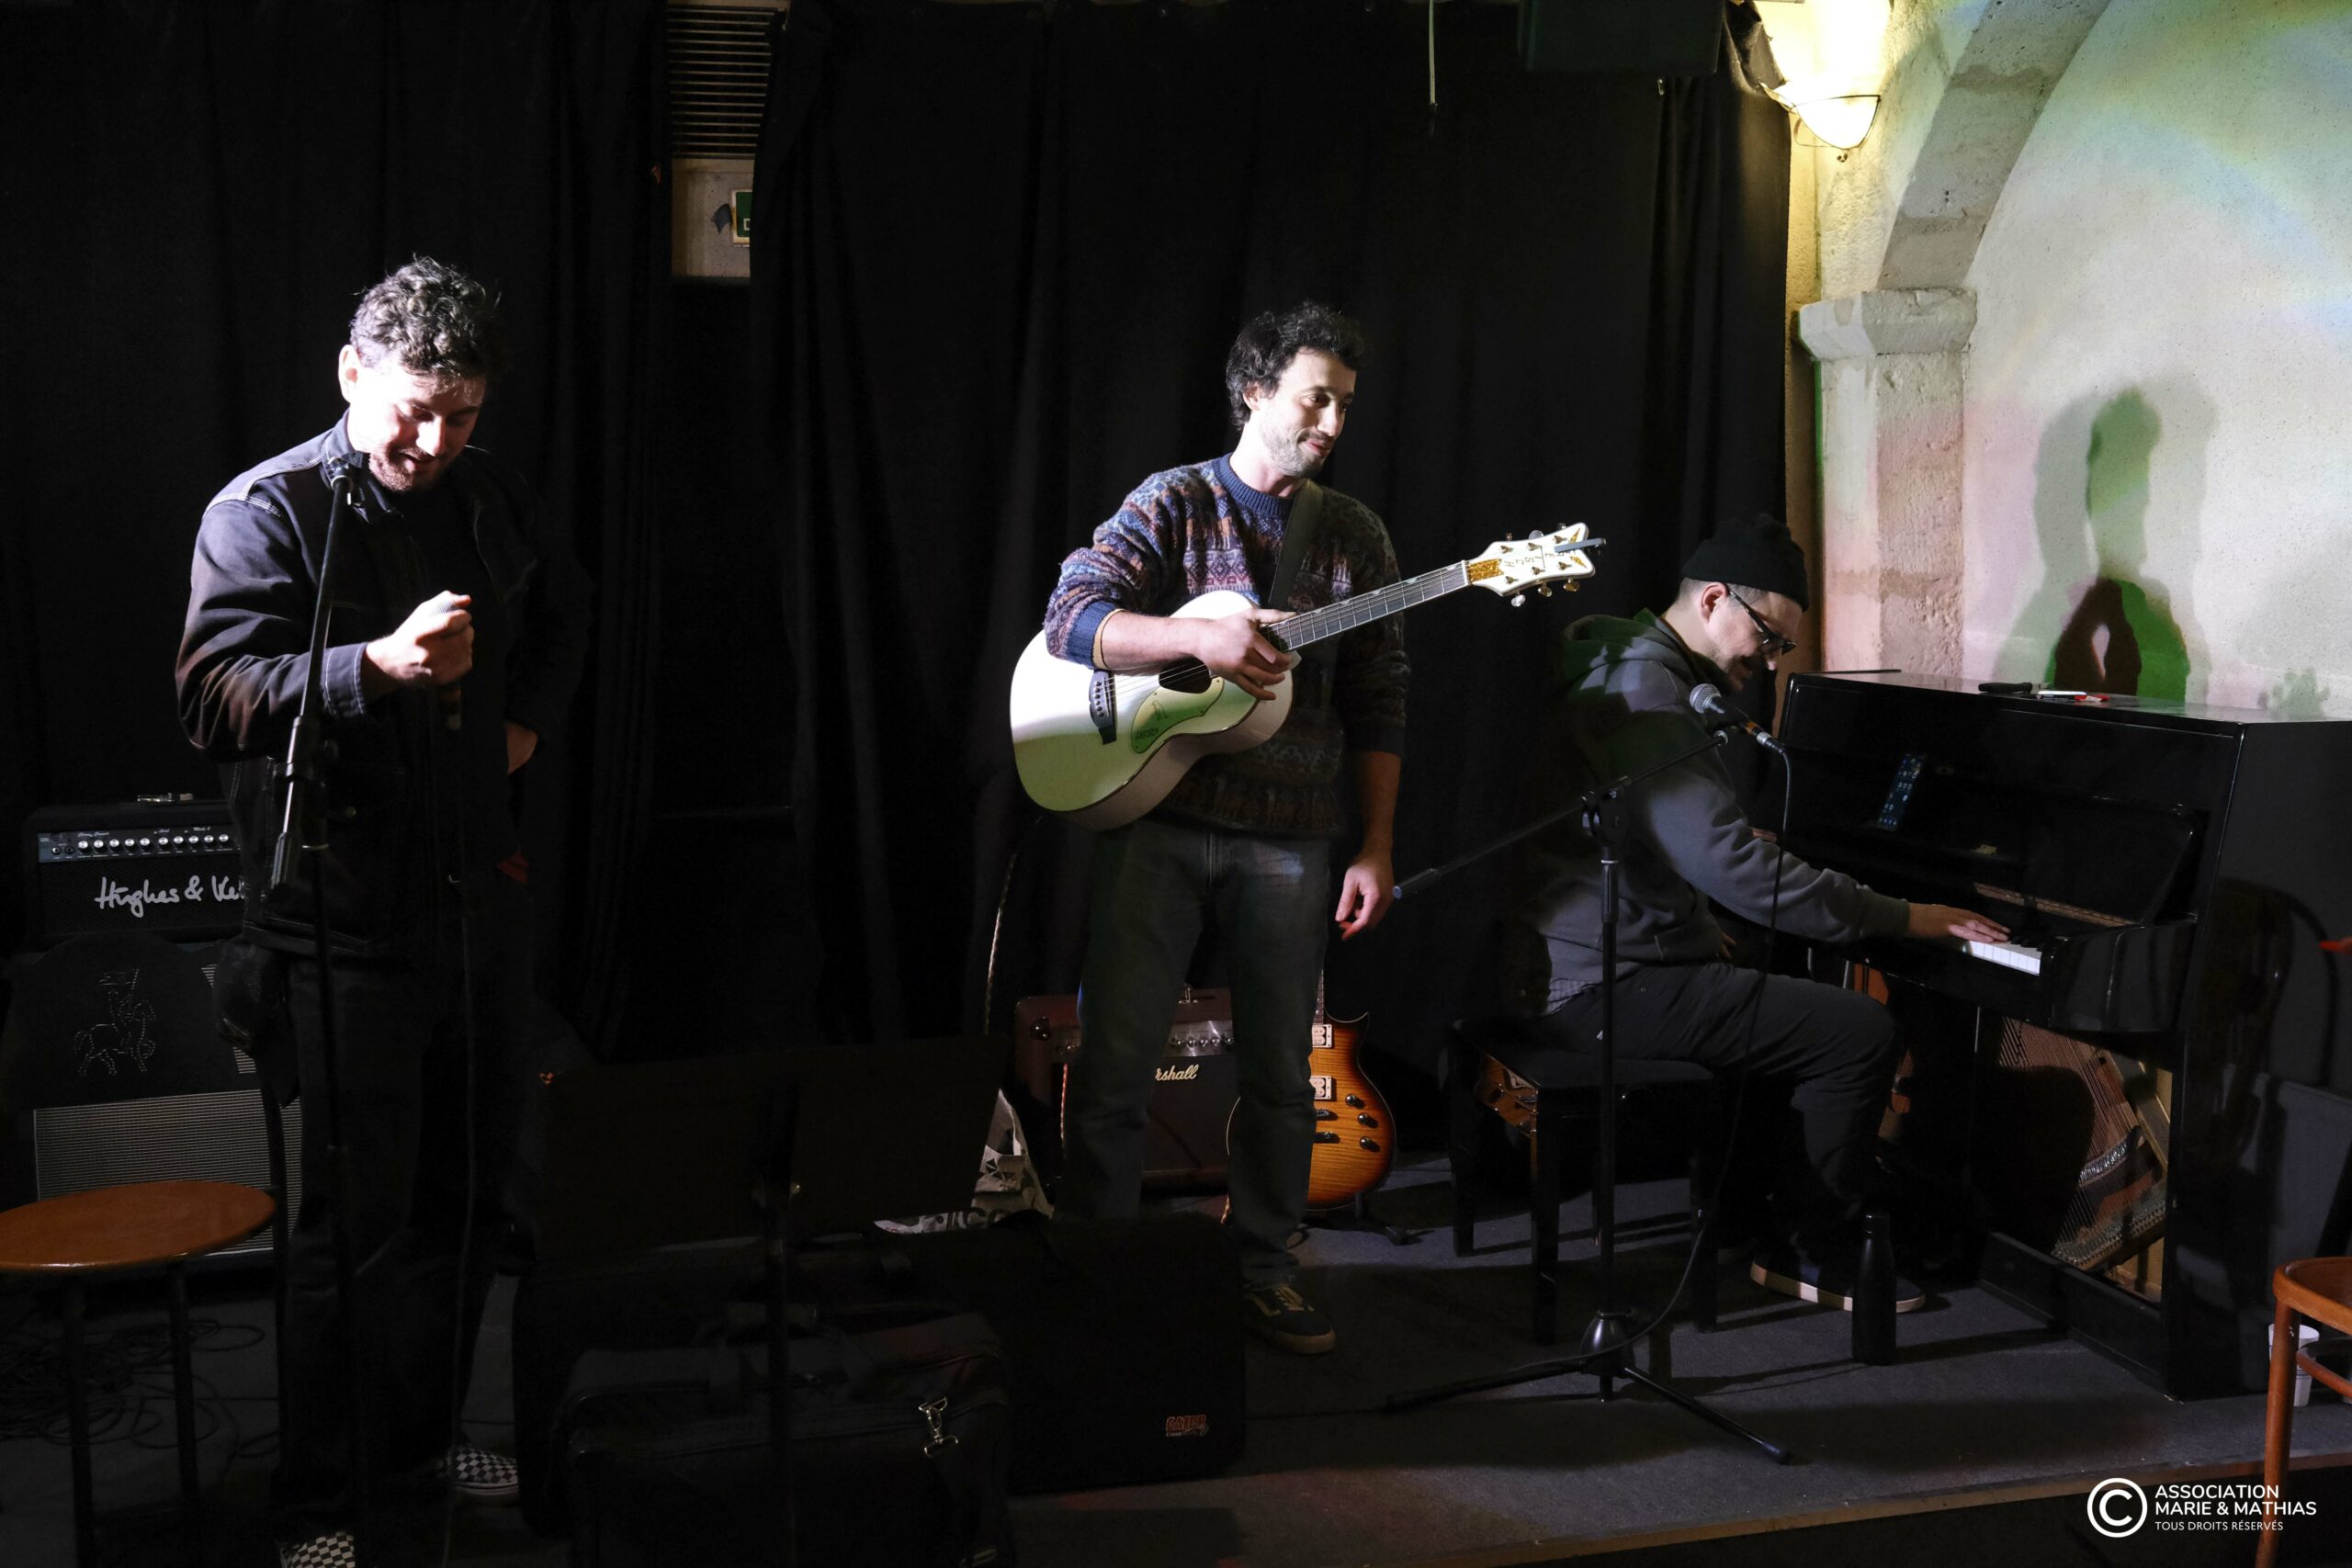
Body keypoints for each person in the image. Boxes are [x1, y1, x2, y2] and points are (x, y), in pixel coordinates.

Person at [177, 258, 590, 1568]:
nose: (433, 441)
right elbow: (214, 694)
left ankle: (417, 1447)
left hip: (478, 906)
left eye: (461, 415)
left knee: (468, 1208)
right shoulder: (267, 511)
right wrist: (373, 667)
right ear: (354, 373)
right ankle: (320, 1498)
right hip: (340, 926)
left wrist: (525, 725)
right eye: (415, 409)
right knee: (356, 1233)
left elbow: (564, 612)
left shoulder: (490, 493)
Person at [1502, 515, 2006, 1310]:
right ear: (1713, 601)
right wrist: (1906, 915)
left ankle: (1739, 1215)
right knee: (1858, 1031)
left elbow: (1663, 852)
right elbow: (1731, 865)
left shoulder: (1617, 660)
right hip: (1594, 985)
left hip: (1573, 959)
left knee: (1765, 980)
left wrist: (1707, 922)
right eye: (1767, 638)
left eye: (1781, 649)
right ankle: (1808, 1245)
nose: (1768, 664)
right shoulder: (1648, 690)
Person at [1041, 302, 1408, 1354]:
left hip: (1292, 840)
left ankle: (1264, 1268)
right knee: (1113, 1069)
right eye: (1315, 399)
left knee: (1282, 1079)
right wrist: (1191, 637)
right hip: (1157, 817)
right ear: (1255, 393)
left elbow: (1382, 696)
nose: (1332, 423)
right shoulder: (1174, 501)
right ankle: (1099, 1271)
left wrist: (1376, 844)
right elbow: (1072, 618)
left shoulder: (1353, 535)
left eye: (1345, 405)